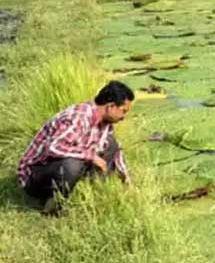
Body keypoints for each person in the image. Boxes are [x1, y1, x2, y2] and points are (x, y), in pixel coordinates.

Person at [17, 80, 134, 213]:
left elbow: (116, 152)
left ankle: (90, 196)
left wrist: (126, 178)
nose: (124, 117)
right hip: (35, 175)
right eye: (123, 111)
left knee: (111, 144)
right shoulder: (79, 117)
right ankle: (53, 207)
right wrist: (92, 157)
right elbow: (55, 147)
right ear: (111, 106)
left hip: (59, 169)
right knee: (72, 164)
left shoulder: (105, 123)